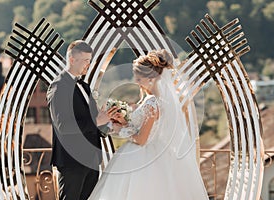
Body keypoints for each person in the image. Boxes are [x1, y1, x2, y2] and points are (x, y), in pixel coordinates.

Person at [89, 49, 209, 199]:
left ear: (151, 79)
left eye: (139, 79)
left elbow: (141, 139)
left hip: (141, 157)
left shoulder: (152, 102)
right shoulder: (159, 101)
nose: (137, 82)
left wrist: (121, 128)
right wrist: (125, 122)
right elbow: (145, 128)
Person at [46, 40, 118, 200]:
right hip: (72, 161)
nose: (89, 65)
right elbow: (63, 126)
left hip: (92, 160)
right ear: (72, 60)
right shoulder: (58, 87)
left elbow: (94, 121)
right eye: (86, 60)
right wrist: (97, 121)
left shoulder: (84, 87)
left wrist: (109, 123)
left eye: (90, 60)